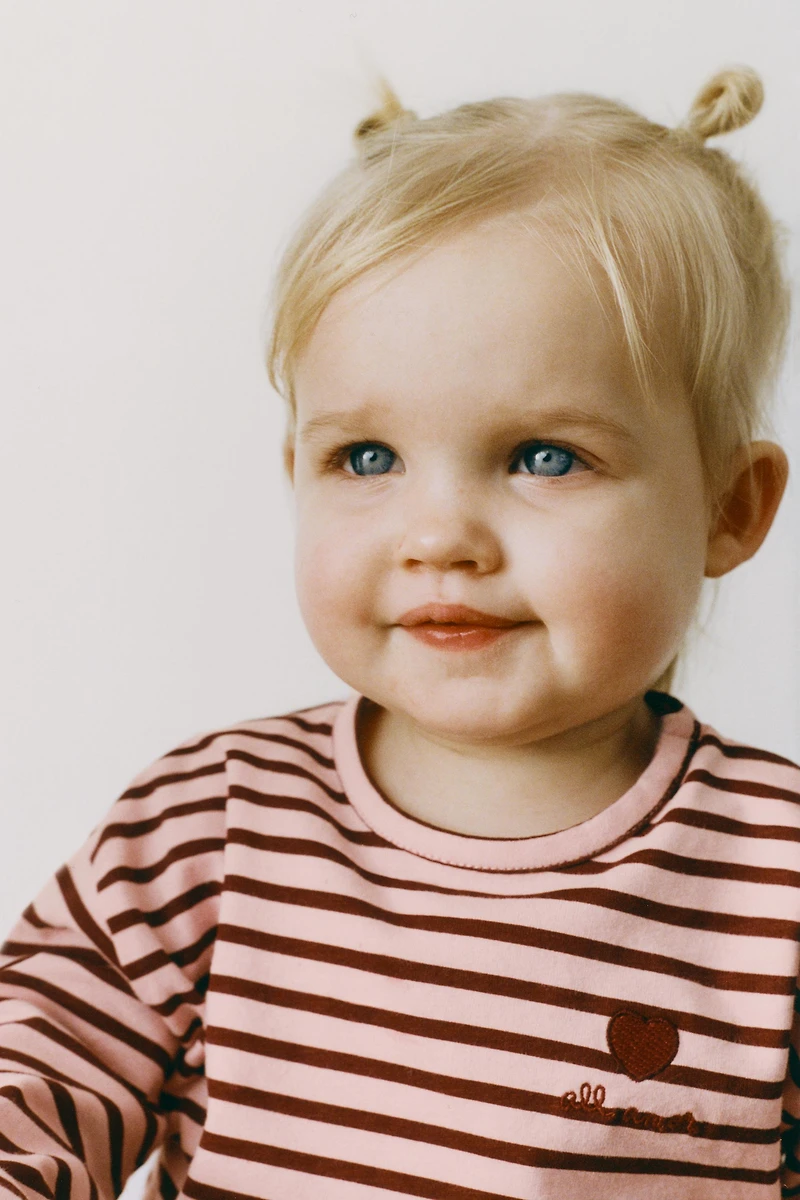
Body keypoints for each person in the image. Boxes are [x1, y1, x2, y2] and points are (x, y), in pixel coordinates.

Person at [0, 63, 797, 1200]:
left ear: (727, 507)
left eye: (542, 455)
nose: (438, 537)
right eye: (364, 459)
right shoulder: (202, 833)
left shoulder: (770, 884)